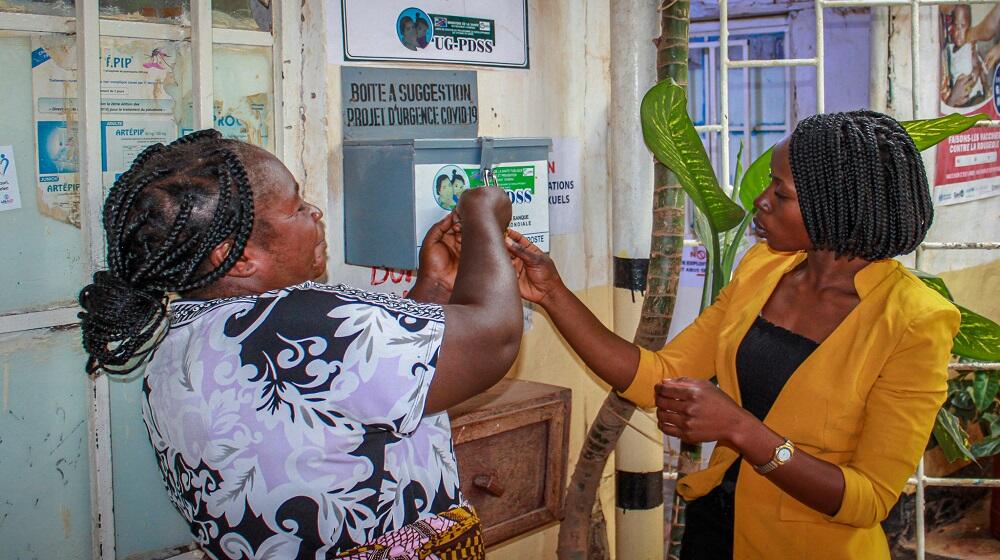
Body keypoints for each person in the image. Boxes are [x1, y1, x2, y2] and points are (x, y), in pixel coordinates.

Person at [505, 110, 960, 559]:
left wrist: (740, 429)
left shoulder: (914, 320)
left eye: (780, 193)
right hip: (716, 527)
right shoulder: (762, 269)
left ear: (833, 205)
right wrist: (552, 293)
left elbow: (869, 499)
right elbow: (656, 375)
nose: (760, 201)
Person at [78, 130, 522, 559]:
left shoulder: (175, 343)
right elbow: (494, 339)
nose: (315, 213)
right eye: (295, 207)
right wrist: (483, 212)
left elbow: (366, 394)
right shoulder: (301, 322)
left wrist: (434, 287)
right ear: (240, 255)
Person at [940, 4, 989, 107]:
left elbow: (977, 66)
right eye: (955, 26)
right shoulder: (949, 49)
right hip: (959, 96)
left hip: (973, 92)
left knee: (978, 104)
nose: (958, 31)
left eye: (962, 26)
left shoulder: (969, 46)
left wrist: (974, 76)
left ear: (969, 28)